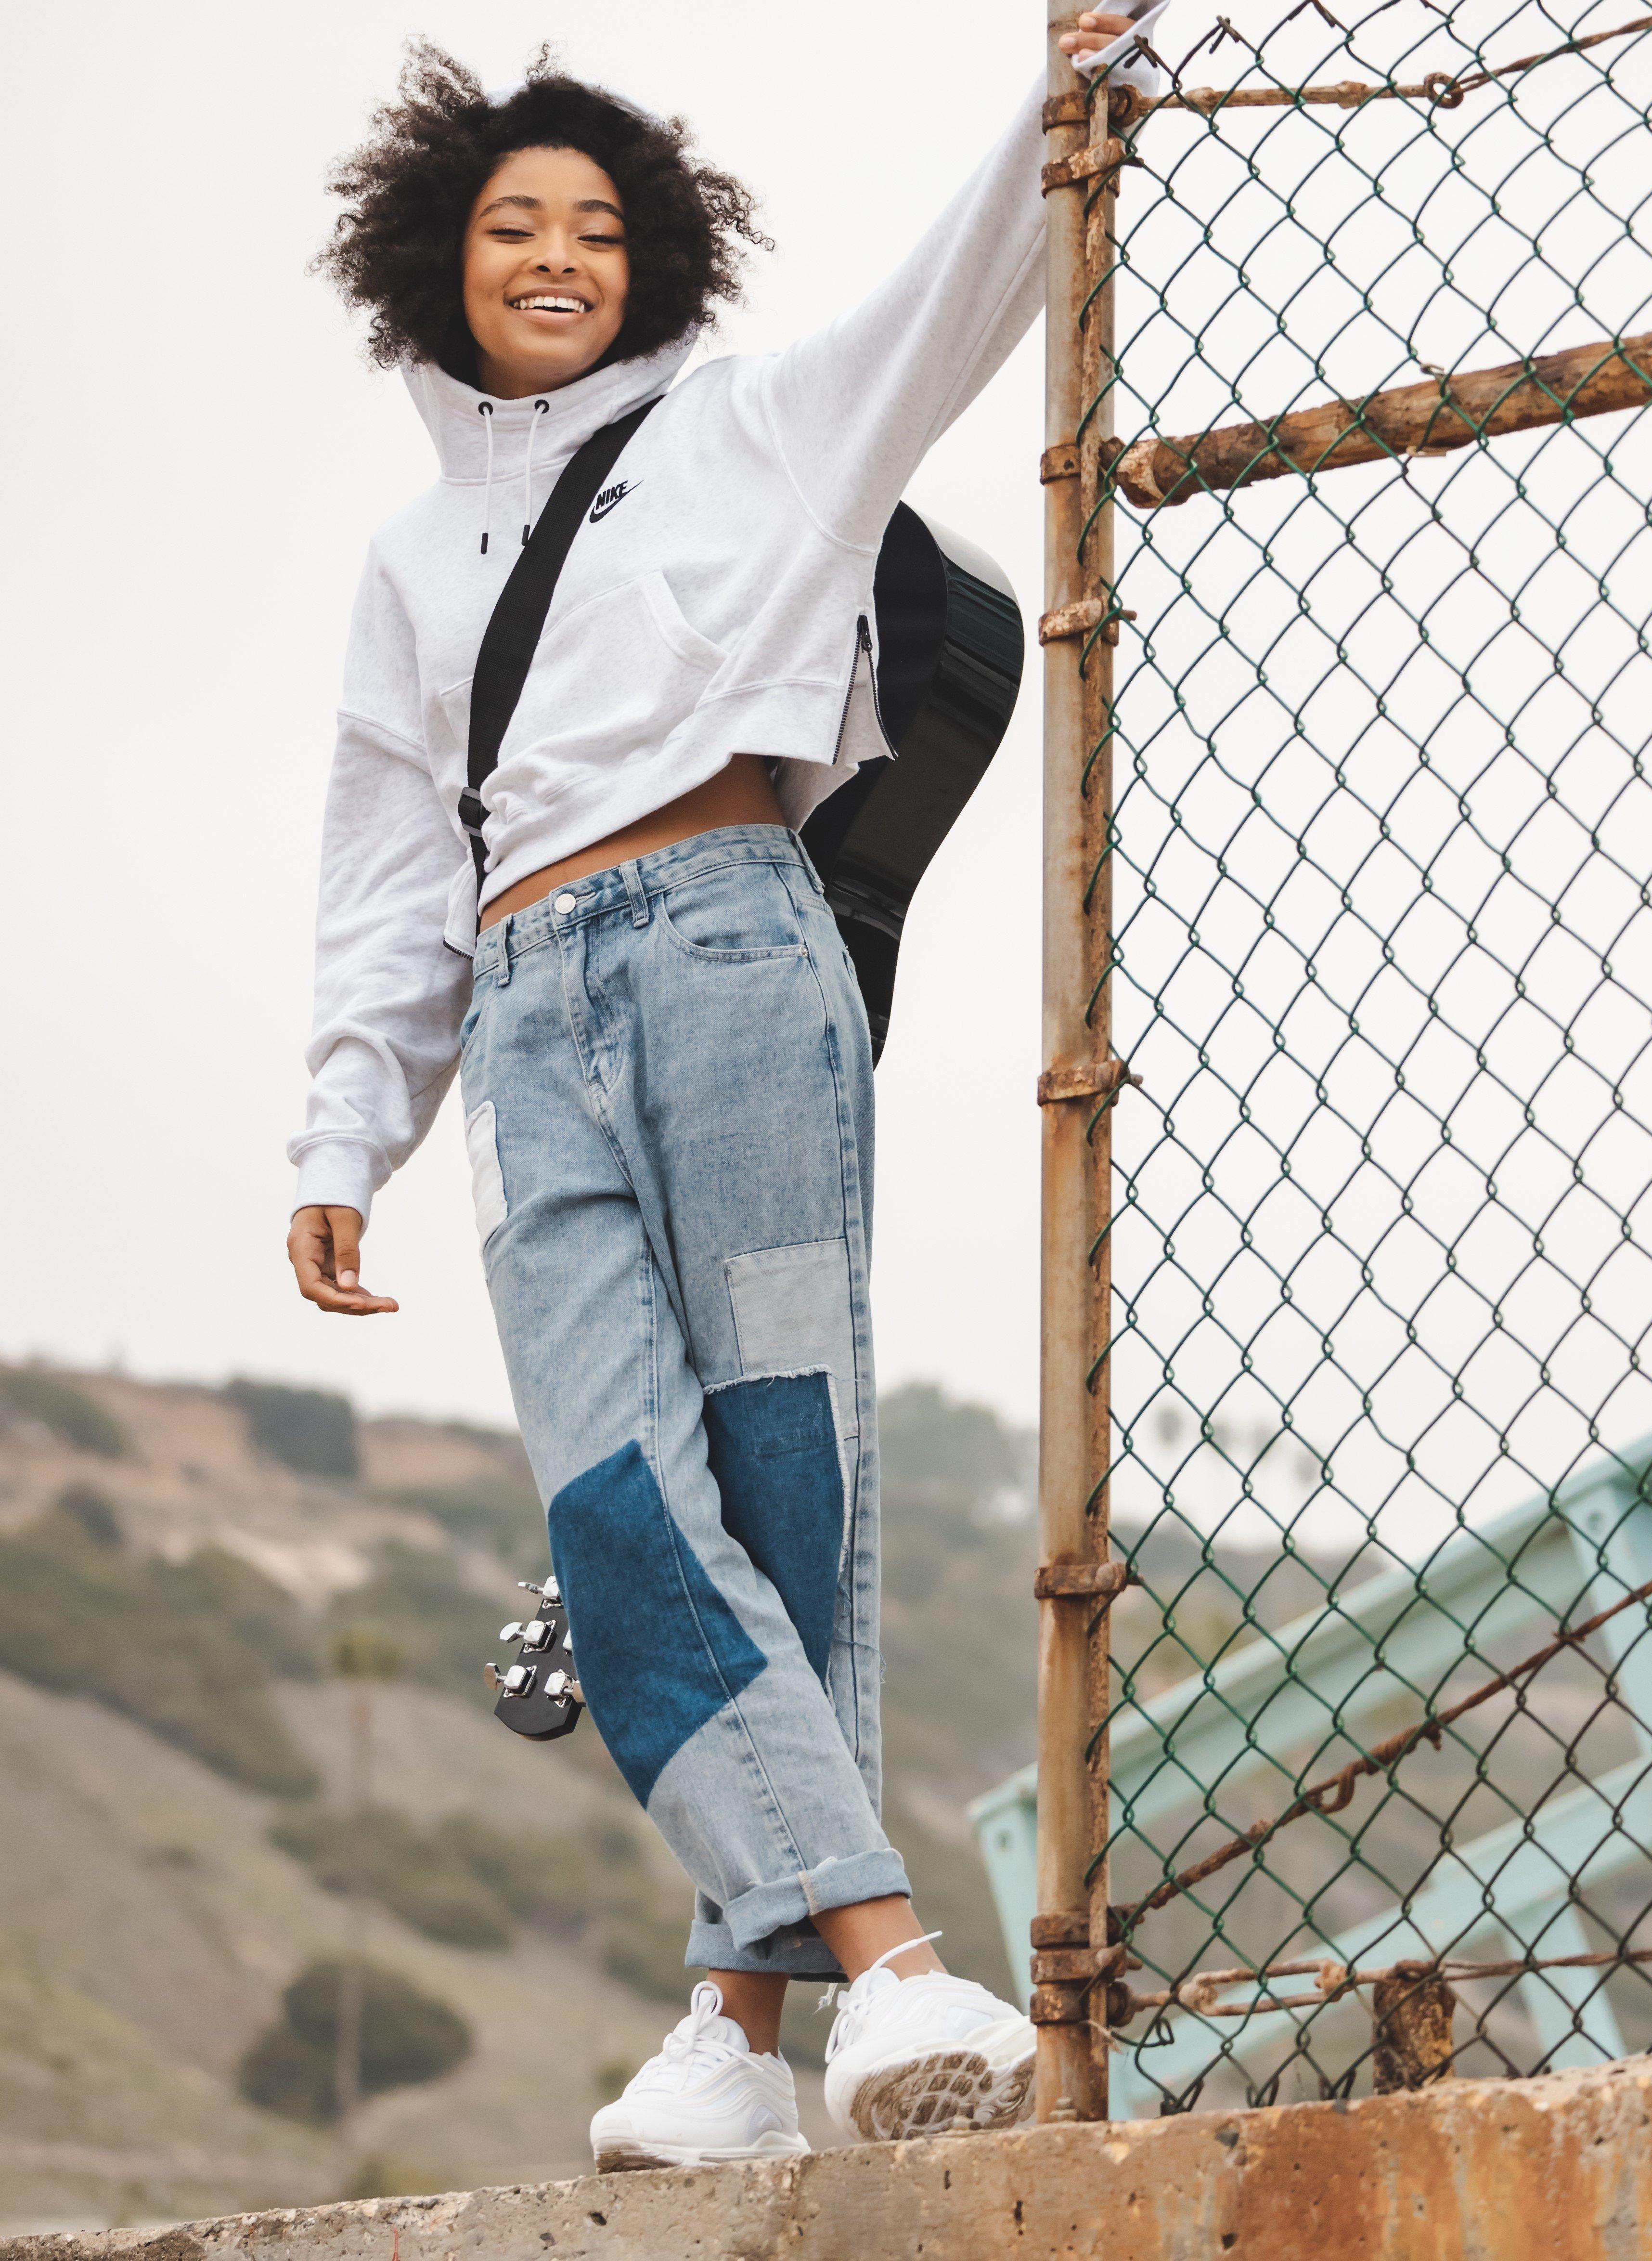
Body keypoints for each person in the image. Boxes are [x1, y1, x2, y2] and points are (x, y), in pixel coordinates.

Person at [287, 16, 1146, 2170]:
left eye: (595, 225)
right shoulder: (408, 569)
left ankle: (736, 2025)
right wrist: (338, 1133)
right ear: (441, 263)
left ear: (653, 254)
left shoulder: (759, 425)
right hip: (522, 1015)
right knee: (615, 1494)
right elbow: (392, 874)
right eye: (513, 227)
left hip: (735, 951)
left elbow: (964, 288)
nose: (557, 256)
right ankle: (880, 1981)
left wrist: (1081, 94)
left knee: (779, 1475)